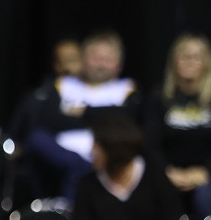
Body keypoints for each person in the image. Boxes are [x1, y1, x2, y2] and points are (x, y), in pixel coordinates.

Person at [15, 30, 139, 202]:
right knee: (37, 138)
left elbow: (125, 120)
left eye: (107, 59)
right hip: (63, 156)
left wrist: (83, 112)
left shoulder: (126, 90)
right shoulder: (63, 85)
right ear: (83, 60)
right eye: (96, 58)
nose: (101, 65)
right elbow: (49, 119)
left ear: (119, 64)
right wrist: (103, 114)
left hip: (104, 156)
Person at [62, 113, 188, 220]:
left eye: (96, 146)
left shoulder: (155, 178)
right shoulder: (87, 184)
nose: (91, 151)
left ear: (114, 150)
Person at [139, 33, 211, 220]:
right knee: (153, 192)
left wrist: (206, 172)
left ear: (206, 63)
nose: (190, 62)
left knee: (206, 195)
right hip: (169, 173)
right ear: (174, 62)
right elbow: (150, 144)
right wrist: (167, 172)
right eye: (184, 56)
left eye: (196, 57)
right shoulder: (158, 97)